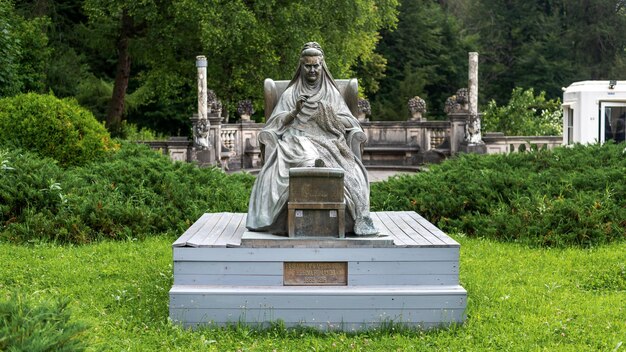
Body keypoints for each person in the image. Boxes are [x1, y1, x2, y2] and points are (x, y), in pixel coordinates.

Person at [246, 42, 377, 236]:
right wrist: (295, 111)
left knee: (353, 173)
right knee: (304, 157)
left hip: (328, 139)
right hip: (297, 138)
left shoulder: (331, 93)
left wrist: (326, 111)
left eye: (316, 65)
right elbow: (275, 123)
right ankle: (293, 210)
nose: (312, 70)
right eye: (308, 66)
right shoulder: (291, 93)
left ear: (322, 66)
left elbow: (350, 122)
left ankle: (345, 215)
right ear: (301, 66)